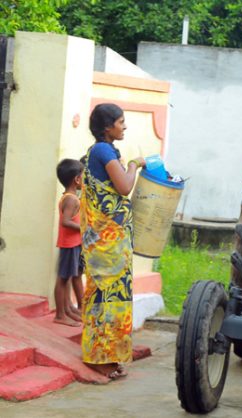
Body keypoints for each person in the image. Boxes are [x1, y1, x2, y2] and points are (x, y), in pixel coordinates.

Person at [81, 103, 145, 380]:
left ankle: (109, 354)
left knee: (113, 297)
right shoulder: (103, 151)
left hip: (111, 242)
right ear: (107, 127)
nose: (124, 126)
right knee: (105, 297)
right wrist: (133, 165)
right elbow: (124, 187)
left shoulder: (102, 151)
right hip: (106, 244)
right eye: (120, 122)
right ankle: (98, 357)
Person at [54, 158, 85, 327]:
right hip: (69, 244)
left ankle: (67, 309)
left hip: (74, 244)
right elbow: (65, 221)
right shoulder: (71, 199)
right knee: (63, 279)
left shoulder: (71, 197)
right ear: (77, 179)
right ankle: (60, 315)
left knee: (67, 277)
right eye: (83, 175)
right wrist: (83, 228)